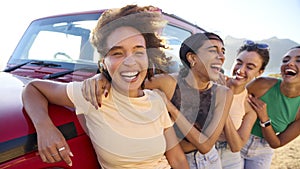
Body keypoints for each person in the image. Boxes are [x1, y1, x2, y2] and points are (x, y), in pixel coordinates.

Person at [21, 4, 189, 169]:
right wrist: (45, 127)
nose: (130, 62)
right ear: (103, 61)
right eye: (117, 53)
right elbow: (33, 89)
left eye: (138, 51)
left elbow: (178, 160)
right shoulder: (93, 95)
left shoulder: (156, 100)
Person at [82, 32, 233, 169]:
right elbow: (126, 84)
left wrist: (171, 109)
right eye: (213, 50)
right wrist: (101, 78)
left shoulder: (223, 93)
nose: (221, 56)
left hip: (209, 160)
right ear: (192, 58)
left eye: (223, 51)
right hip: (170, 159)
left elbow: (205, 145)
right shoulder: (166, 83)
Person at [241, 45, 300, 169]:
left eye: (298, 60)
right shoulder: (262, 84)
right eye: (285, 60)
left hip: (263, 152)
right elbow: (233, 103)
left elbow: (277, 143)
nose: (289, 63)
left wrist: (265, 119)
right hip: (237, 140)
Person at [215, 40, 270, 169]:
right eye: (238, 63)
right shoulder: (213, 83)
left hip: (230, 158)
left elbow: (236, 146)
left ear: (259, 72)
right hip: (201, 151)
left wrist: (223, 103)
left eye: (250, 67)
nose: (240, 70)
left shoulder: (249, 106)